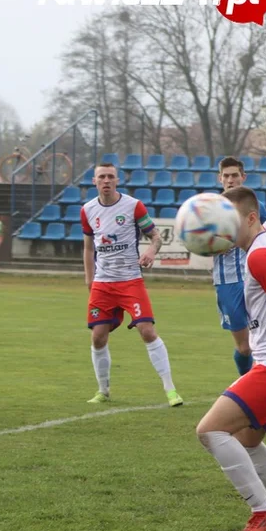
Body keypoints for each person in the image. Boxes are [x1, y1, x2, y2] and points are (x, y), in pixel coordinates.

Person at [195, 184, 266, 531]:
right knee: (246, 439)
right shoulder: (260, 251)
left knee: (210, 430)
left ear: (250, 218)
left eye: (230, 222)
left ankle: (263, 509)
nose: (224, 230)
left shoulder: (260, 256)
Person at [80, 162, 182, 406]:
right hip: (103, 283)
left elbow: (155, 236)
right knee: (98, 337)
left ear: (117, 180)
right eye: (102, 177)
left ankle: (170, 390)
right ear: (94, 181)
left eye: (110, 177)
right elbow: (87, 247)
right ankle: (103, 391)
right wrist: (88, 277)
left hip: (130, 281)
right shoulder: (87, 210)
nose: (106, 181)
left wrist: (150, 252)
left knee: (147, 331)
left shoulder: (133, 206)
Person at [214, 157, 266, 377]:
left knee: (263, 342)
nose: (230, 180)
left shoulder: (257, 207)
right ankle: (245, 383)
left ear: (243, 177)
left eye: (234, 175)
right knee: (244, 347)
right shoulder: (209, 209)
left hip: (256, 278)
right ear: (220, 179)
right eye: (226, 176)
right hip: (227, 283)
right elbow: (198, 243)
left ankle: (259, 391)